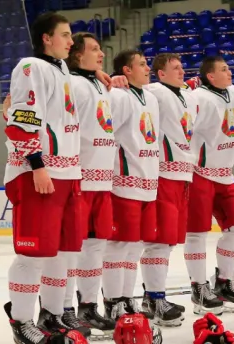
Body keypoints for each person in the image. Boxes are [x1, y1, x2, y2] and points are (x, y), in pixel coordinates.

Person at [2, 12, 83, 344]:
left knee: (61, 253)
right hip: (41, 173)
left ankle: (51, 316)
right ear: (47, 38)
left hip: (68, 174)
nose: (71, 41)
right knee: (32, 253)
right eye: (65, 35)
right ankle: (22, 322)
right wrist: (36, 164)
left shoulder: (62, 70)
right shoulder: (30, 67)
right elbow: (22, 118)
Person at [185, 56, 234, 313]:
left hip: (225, 174)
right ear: (210, 76)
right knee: (197, 233)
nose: (230, 72)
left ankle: (223, 281)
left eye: (229, 67)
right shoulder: (197, 97)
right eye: (224, 69)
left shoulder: (232, 91)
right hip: (200, 172)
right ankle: (198, 287)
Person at [62, 32, 118, 336]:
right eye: (94, 50)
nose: (101, 54)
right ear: (76, 55)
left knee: (96, 246)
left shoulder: (100, 84)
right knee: (71, 247)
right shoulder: (71, 83)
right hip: (79, 179)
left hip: (103, 180)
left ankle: (87, 307)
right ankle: (64, 310)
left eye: (100, 49)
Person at [137, 52, 197, 323]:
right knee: (158, 242)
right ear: (160, 74)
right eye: (175, 68)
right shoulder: (156, 91)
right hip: (164, 174)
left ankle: (155, 297)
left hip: (182, 176)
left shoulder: (181, 94)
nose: (181, 71)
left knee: (168, 241)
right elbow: (136, 91)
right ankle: (154, 298)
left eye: (182, 67)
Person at [100, 49, 160, 319]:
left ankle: (127, 297)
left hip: (148, 182)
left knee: (135, 244)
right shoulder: (119, 96)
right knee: (119, 244)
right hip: (124, 182)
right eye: (142, 64)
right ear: (126, 70)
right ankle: (113, 301)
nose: (148, 68)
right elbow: (104, 131)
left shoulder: (151, 96)